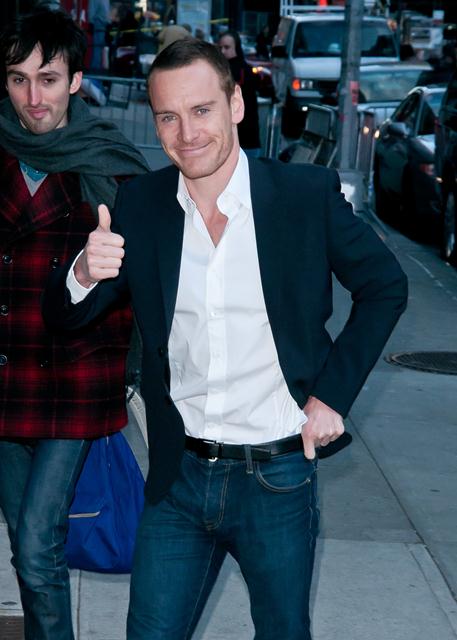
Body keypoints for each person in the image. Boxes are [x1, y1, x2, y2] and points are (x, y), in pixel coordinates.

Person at [43, 39, 408, 639]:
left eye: (201, 110)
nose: (186, 133)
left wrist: (331, 397)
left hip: (277, 476)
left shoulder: (302, 196)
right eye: (168, 116)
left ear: (236, 104)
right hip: (178, 478)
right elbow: (66, 316)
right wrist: (83, 271)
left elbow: (386, 286)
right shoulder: (141, 204)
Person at [0, 8, 149, 640]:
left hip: (75, 380)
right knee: (27, 547)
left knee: (38, 545)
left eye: (49, 79)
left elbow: (146, 279)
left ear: (77, 81)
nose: (33, 97)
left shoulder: (109, 164)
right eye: (18, 79)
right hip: (6, 380)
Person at [218, 29, 261, 156]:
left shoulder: (241, 70)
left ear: (236, 47)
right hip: (234, 137)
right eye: (220, 48)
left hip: (244, 135)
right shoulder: (223, 69)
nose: (222, 51)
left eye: (227, 47)